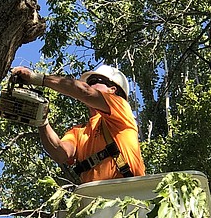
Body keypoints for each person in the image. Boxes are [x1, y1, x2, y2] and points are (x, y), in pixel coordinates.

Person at [10, 64, 146, 183]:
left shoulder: (121, 108)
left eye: (94, 81)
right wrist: (42, 121)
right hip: (94, 203)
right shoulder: (79, 132)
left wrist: (38, 79)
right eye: (89, 82)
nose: (90, 85)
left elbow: (84, 91)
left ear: (112, 90)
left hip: (129, 193)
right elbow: (60, 153)